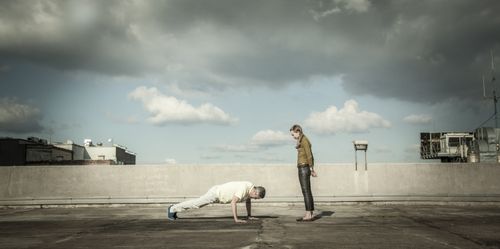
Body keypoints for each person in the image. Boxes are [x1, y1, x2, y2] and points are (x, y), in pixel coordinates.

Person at [167, 181, 266, 223]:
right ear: (255, 192)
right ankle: (172, 208)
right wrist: (236, 219)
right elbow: (233, 202)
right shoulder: (244, 188)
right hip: (215, 194)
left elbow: (248, 202)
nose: (255, 199)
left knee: (197, 204)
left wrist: (249, 215)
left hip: (218, 194)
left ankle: (174, 208)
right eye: (256, 197)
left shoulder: (250, 188)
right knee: (196, 204)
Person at [290, 124, 317, 221]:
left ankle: (308, 214)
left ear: (298, 131)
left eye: (293, 134)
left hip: (304, 167)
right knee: (307, 191)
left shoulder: (304, 140)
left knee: (305, 191)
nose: (293, 137)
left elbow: (309, 155)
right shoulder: (301, 140)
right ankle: (310, 213)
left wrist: (311, 169)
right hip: (303, 167)